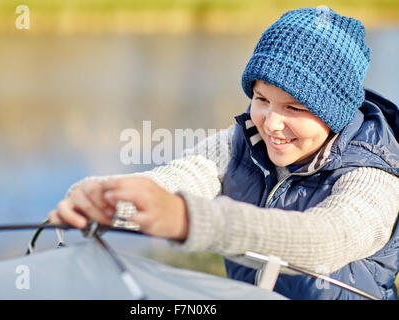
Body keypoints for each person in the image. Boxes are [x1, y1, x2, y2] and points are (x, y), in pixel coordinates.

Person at [48, 7, 399, 300]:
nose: (272, 124)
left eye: (294, 108)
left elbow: (325, 239)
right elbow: (179, 178)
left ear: (333, 114)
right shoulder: (243, 139)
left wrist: (189, 220)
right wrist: (105, 197)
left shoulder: (373, 174)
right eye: (262, 99)